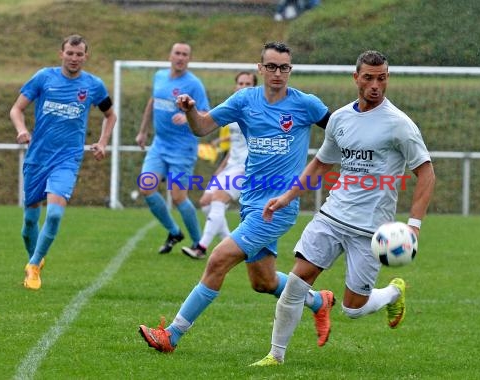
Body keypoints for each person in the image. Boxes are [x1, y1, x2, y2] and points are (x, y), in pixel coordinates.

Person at [139, 42, 335, 353]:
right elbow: (202, 127)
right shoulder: (245, 100)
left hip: (277, 208)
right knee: (264, 282)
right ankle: (318, 300)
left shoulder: (306, 104)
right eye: (271, 66)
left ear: (290, 70)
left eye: (284, 67)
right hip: (251, 202)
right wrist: (190, 111)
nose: (277, 73)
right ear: (260, 69)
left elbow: (341, 129)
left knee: (217, 259)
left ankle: (171, 335)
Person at [251, 50, 436, 366]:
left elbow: (426, 172)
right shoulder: (339, 118)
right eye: (369, 78)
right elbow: (321, 164)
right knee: (296, 283)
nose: (376, 85)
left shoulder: (399, 125)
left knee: (353, 308)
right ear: (356, 78)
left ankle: (392, 292)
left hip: (370, 230)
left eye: (382, 78)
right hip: (332, 216)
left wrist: (414, 225)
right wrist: (286, 197)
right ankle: (275, 356)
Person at [9, 34, 117, 290]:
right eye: (70, 53)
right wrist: (21, 129)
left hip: (67, 158)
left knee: (55, 213)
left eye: (79, 54)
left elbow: (110, 116)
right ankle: (36, 258)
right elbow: (16, 109)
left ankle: (34, 265)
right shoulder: (44, 78)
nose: (74, 58)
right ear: (61, 54)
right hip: (37, 157)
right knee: (28, 224)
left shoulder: (93, 85)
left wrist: (102, 142)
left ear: (85, 57)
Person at [135, 42, 210, 254]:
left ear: (189, 59)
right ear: (170, 55)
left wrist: (187, 116)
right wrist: (143, 131)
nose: (180, 57)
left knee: (178, 197)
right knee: (146, 187)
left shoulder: (194, 84)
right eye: (177, 53)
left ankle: (199, 244)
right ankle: (174, 231)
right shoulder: (159, 76)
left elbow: (205, 113)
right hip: (159, 145)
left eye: (185, 54)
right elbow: (153, 102)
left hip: (182, 149)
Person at [181, 71, 257, 259]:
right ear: (235, 86)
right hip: (231, 165)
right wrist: (221, 167)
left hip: (247, 168)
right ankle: (233, 243)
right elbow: (234, 145)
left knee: (218, 198)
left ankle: (201, 247)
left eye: (248, 83)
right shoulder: (233, 109)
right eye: (240, 83)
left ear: (255, 87)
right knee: (205, 202)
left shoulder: (258, 112)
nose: (243, 86)